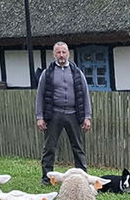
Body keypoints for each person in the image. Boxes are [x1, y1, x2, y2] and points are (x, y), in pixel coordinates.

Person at [35, 41, 93, 185]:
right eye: (58, 52)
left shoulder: (77, 73)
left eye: (64, 52)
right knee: (49, 148)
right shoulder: (47, 73)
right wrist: (40, 117)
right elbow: (40, 95)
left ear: (68, 54)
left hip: (73, 114)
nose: (61, 55)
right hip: (54, 114)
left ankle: (82, 178)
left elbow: (85, 94)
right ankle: (47, 179)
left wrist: (87, 116)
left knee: (78, 148)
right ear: (53, 54)